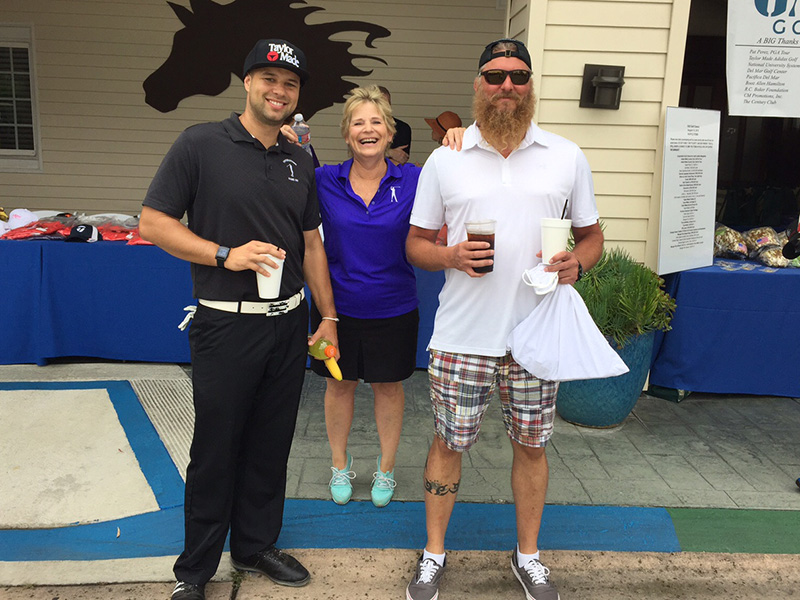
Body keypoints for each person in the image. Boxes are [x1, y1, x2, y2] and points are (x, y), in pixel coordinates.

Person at [404, 38, 604, 600]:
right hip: (463, 335)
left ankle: (528, 556)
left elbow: (591, 236)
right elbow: (416, 244)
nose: (507, 87)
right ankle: (434, 555)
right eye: (494, 76)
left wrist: (577, 265)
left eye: (518, 76)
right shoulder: (446, 159)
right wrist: (448, 256)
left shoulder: (566, 155)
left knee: (532, 446)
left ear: (531, 84)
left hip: (537, 334)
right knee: (448, 442)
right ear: (477, 85)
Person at [139, 39, 338, 600]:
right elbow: (153, 223)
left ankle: (254, 546)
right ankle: (194, 572)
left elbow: (312, 245)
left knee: (271, 443)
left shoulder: (301, 158)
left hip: (288, 323)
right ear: (246, 82)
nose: (279, 90)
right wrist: (226, 254)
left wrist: (329, 317)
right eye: (268, 78)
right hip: (226, 324)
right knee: (217, 448)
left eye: (290, 83)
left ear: (299, 94)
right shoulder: (201, 143)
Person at [312, 85, 465, 509]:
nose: (367, 129)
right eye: (358, 122)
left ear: (389, 131)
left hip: (395, 307)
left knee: (387, 388)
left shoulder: (414, 179)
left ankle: (386, 469)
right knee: (338, 388)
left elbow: (460, 173)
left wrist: (457, 138)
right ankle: (339, 465)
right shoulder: (324, 179)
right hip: (334, 311)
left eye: (376, 122)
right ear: (346, 133)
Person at [378, 85, 412, 165]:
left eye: (386, 104)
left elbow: (401, 159)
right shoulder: (364, 128)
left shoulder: (402, 128)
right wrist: (389, 152)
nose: (384, 108)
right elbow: (361, 154)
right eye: (380, 104)